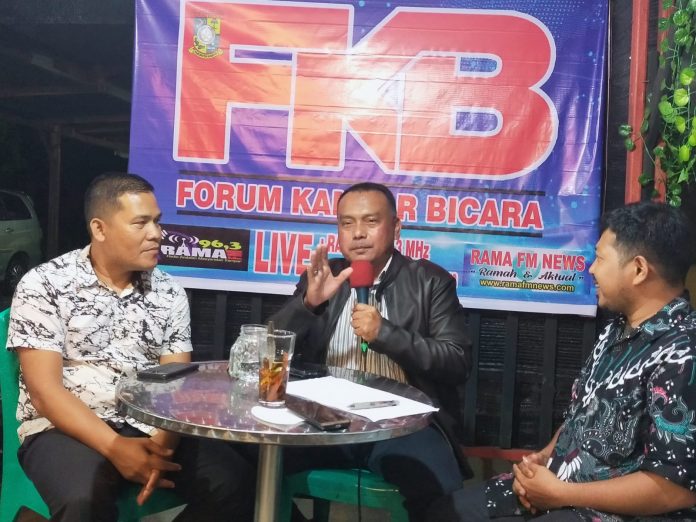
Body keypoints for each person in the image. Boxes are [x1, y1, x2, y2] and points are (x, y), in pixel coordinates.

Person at [7, 173, 254, 522]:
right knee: (83, 499)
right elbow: (44, 391)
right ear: (100, 229)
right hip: (65, 428)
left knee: (235, 483)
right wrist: (115, 448)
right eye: (141, 223)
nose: (157, 234)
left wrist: (161, 446)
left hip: (150, 423)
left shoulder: (169, 292)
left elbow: (176, 383)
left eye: (157, 222)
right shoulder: (45, 284)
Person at [427, 201, 696, 521]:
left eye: (600, 258)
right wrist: (542, 460)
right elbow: (582, 413)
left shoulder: (684, 354)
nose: (591, 269)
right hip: (562, 487)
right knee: (444, 513)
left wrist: (560, 494)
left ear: (638, 270)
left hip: (614, 512)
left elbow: (675, 487)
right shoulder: (617, 329)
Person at [271, 182, 472, 520]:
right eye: (347, 223)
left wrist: (386, 334)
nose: (358, 233)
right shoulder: (324, 278)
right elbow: (268, 348)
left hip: (402, 426)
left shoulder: (430, 281)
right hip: (325, 423)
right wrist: (308, 304)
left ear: (396, 227)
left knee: (438, 489)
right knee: (239, 461)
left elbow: (457, 362)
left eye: (371, 221)